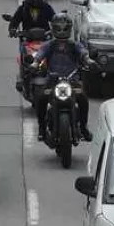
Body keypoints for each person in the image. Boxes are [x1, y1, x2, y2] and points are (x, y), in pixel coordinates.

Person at [33, 13, 93, 141]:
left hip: (72, 82)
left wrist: (88, 61)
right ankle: (42, 129)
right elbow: (40, 54)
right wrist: (35, 63)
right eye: (58, 28)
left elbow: (83, 53)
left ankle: (83, 128)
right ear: (53, 28)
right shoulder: (49, 45)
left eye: (64, 28)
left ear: (69, 29)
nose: (61, 31)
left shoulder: (74, 45)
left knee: (83, 99)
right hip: (52, 81)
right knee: (41, 99)